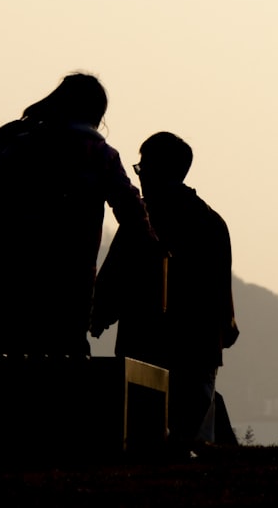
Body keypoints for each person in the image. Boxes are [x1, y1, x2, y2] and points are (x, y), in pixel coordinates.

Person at [0, 73, 154, 358]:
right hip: (73, 282)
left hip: (16, 276)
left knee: (11, 357)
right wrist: (155, 252)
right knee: (66, 363)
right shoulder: (101, 155)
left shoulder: (28, 145)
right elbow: (132, 213)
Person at [92, 131, 237, 457]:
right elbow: (222, 292)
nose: (140, 177)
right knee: (189, 445)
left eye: (142, 168)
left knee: (143, 444)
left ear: (156, 169)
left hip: (144, 347)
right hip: (199, 350)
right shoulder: (212, 222)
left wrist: (96, 315)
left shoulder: (145, 219)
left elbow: (114, 276)